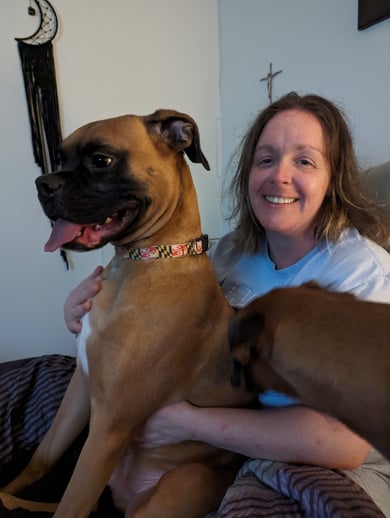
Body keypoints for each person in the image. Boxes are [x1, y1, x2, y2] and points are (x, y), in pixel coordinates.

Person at [65, 92, 390, 515]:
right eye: (266, 159)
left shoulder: (363, 274)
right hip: (226, 445)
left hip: (342, 462)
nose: (280, 176)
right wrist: (86, 317)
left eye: (305, 161)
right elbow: (164, 334)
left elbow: (340, 443)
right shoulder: (229, 253)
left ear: (334, 177)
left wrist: (182, 422)